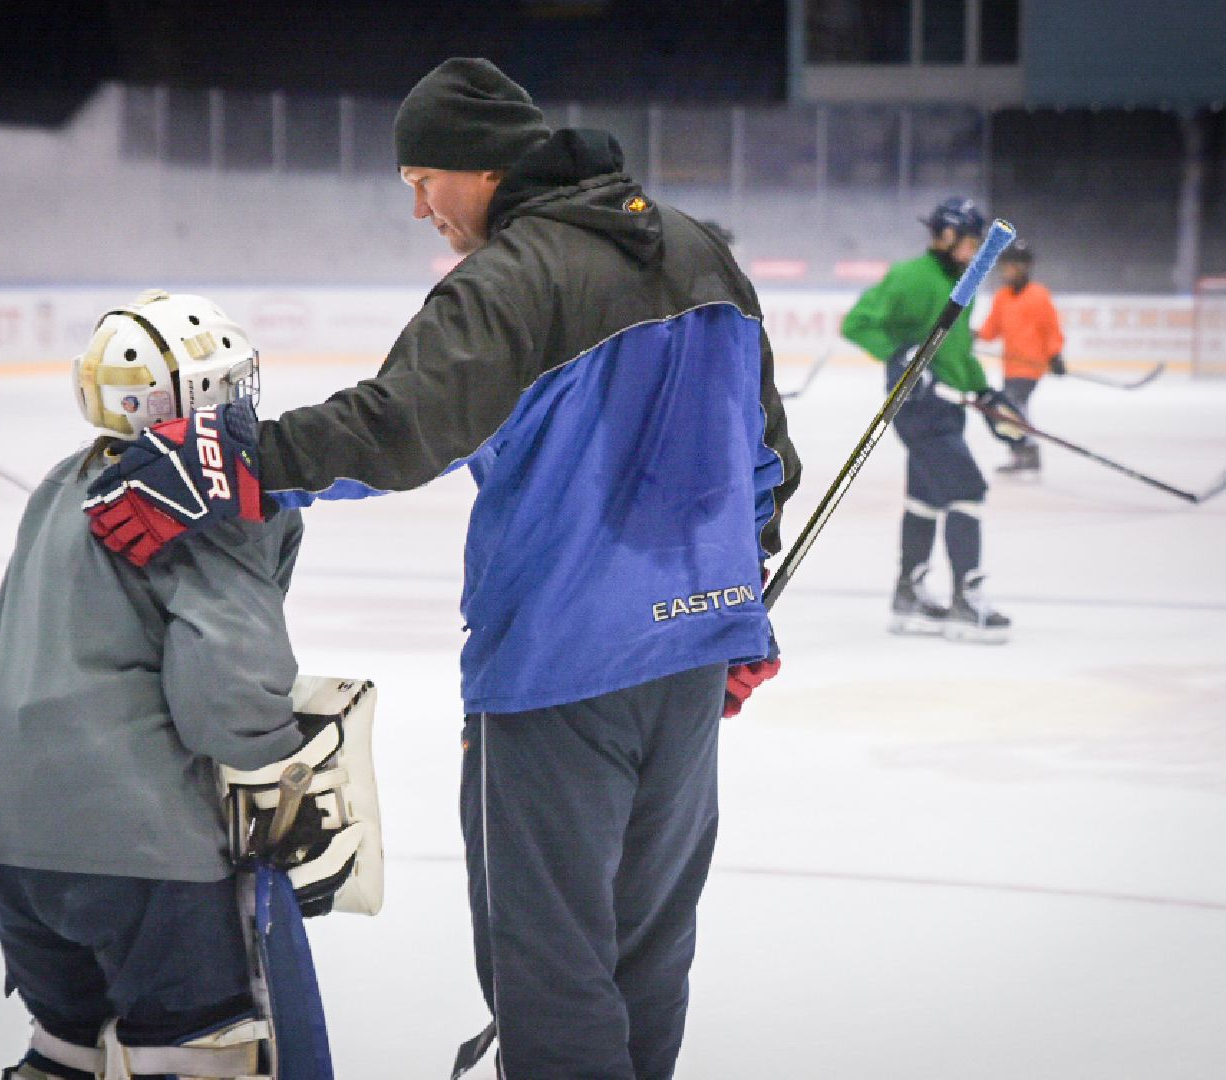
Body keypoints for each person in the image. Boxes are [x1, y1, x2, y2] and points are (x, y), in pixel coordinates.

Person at [81, 58, 801, 1079]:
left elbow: (392, 433)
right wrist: (735, 610)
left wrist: (219, 464)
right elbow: (765, 460)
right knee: (647, 950)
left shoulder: (512, 281)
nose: (420, 208)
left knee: (549, 967)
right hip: (692, 660)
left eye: (424, 179)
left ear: (481, 168)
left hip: (563, 671)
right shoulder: (701, 255)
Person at [0, 292, 318, 1080]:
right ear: (193, 397)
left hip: (6, 835)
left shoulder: (63, 481)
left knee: (65, 1047)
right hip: (136, 847)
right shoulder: (196, 501)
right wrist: (285, 765)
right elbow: (226, 692)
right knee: (188, 1054)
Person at [840, 196, 1025, 645]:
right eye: (970, 242)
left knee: (925, 497)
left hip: (946, 407)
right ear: (945, 236)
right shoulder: (910, 277)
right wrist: (900, 355)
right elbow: (857, 323)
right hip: (916, 405)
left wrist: (986, 393)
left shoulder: (958, 281)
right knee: (966, 491)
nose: (975, 252)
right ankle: (966, 602)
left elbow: (956, 353)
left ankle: (910, 596)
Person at [978, 239, 1066, 478]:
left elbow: (1051, 330)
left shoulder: (1039, 295)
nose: (1006, 270)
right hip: (1010, 367)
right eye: (1004, 265)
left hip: (1031, 367)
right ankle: (1022, 453)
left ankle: (1027, 450)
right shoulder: (1002, 296)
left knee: (1013, 406)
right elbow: (991, 330)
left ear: (1023, 267)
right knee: (1011, 409)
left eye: (1010, 265)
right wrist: (971, 335)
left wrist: (1055, 355)